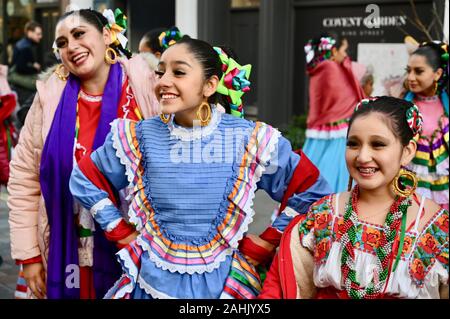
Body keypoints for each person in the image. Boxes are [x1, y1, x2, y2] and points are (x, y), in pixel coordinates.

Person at [69, 36, 331, 299]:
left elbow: (311, 189)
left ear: (209, 85)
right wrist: (119, 231)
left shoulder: (247, 139)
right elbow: (84, 178)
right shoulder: (140, 136)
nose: (163, 81)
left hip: (223, 287)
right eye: (160, 72)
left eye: (178, 72)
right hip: (150, 283)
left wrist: (265, 241)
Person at [8, 8, 159, 299]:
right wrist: (28, 257)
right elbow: (24, 179)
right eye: (62, 43)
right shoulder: (49, 99)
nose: (71, 47)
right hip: (66, 254)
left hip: (140, 252)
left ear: (106, 35)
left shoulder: (146, 86)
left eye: (79, 34)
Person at [259, 96, 449, 299]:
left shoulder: (436, 227)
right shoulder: (323, 215)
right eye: (353, 144)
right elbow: (279, 289)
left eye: (377, 144)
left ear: (407, 151)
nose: (363, 156)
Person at [302, 34, 365, 193]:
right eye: (344, 50)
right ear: (334, 50)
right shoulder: (331, 68)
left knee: (311, 173)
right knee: (332, 178)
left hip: (320, 133)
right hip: (338, 133)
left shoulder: (318, 69)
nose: (346, 55)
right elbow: (344, 97)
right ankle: (331, 212)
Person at [404, 41, 449, 210]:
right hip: (409, 196)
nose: (410, 78)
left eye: (419, 71)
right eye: (408, 71)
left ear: (437, 73)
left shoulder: (446, 106)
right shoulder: (401, 108)